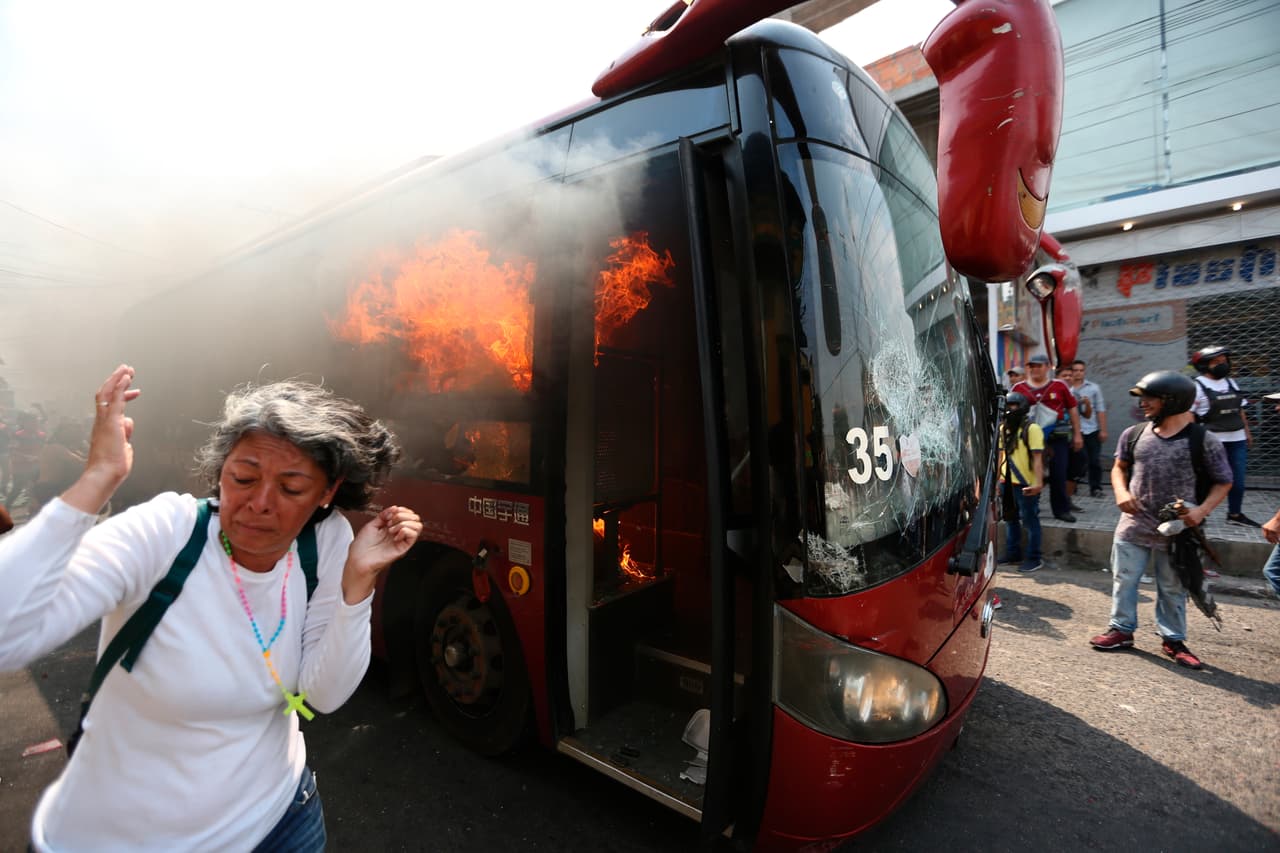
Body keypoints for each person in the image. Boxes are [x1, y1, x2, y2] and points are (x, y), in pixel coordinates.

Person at [0, 364, 423, 851]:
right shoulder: (166, 533)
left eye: (291, 488)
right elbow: (10, 636)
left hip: (281, 824)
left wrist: (358, 581)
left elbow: (323, 695)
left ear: (327, 494)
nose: (259, 502)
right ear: (220, 471)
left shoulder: (325, 541)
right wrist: (98, 477)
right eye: (243, 477)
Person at [1089, 370, 1232, 670]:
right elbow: (1118, 467)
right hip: (1133, 524)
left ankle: (1173, 639)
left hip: (1178, 531)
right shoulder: (1134, 433)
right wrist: (1120, 491)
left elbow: (1223, 481)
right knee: (1124, 579)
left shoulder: (1204, 440)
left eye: (1150, 398)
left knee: (1172, 587)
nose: (1144, 404)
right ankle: (1121, 630)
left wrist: (1200, 512)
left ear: (1172, 400)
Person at [1189, 345, 1259, 527]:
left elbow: (1239, 410)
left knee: (1238, 480)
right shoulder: (1197, 386)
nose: (1222, 364)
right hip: (1211, 441)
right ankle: (1199, 514)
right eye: (1216, 362)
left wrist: (1247, 432)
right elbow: (1190, 416)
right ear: (1204, 365)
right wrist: (1191, 440)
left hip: (1237, 440)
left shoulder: (1231, 383)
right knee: (1205, 479)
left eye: (1224, 361)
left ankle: (1235, 514)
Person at [1011, 353, 1083, 522]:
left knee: (1059, 473)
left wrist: (1077, 434)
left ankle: (1061, 510)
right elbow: (1011, 413)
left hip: (1056, 437)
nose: (1035, 369)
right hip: (1028, 439)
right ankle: (1030, 509)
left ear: (1047, 367)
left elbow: (1072, 409)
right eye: (1032, 366)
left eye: (1039, 365)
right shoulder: (1018, 388)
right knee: (1029, 473)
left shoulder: (1060, 386)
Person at [997, 391, 1045, 573]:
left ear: (1022, 407)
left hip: (1026, 484)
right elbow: (1000, 455)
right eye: (1008, 406)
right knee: (1010, 520)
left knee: (1030, 521)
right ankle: (1012, 553)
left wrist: (1038, 483)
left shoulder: (1032, 429)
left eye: (1014, 406)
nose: (1011, 410)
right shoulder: (1003, 429)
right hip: (1006, 482)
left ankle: (1034, 557)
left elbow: (1037, 458)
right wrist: (997, 481)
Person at [1070, 359, 1108, 498]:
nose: (1078, 373)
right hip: (1073, 431)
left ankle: (1095, 487)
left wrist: (1103, 430)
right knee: (1077, 461)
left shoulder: (1093, 388)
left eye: (1081, 370)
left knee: (1094, 460)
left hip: (1091, 429)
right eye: (1075, 370)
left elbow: (1100, 409)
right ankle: (1072, 486)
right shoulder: (1067, 388)